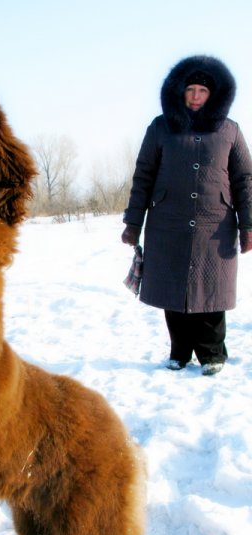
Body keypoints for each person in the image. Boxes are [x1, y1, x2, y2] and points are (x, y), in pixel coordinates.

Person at [122, 55, 252, 376]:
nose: (195, 96)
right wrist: (132, 223)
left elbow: (244, 180)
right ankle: (179, 351)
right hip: (168, 224)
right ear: (179, 91)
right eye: (190, 89)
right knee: (173, 290)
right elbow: (143, 176)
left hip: (216, 225)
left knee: (211, 293)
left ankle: (212, 354)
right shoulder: (160, 128)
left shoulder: (230, 131)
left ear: (214, 95)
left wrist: (248, 224)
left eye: (202, 91)